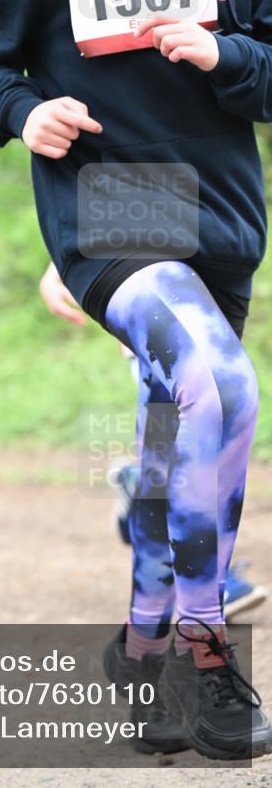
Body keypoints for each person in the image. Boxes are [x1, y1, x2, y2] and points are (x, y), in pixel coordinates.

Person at [0, 0, 271, 761]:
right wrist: (23, 114)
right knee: (220, 385)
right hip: (115, 198)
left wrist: (225, 53)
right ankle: (205, 656)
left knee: (176, 432)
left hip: (219, 206)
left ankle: (137, 647)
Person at [40, 260, 269, 620]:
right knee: (191, 457)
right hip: (160, 337)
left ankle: (137, 489)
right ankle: (206, 580)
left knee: (177, 461)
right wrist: (60, 265)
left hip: (210, 327)